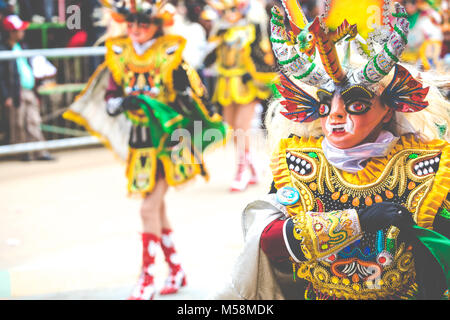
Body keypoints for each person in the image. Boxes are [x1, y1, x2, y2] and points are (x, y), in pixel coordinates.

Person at [214, 0, 450, 300]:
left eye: (356, 105)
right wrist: (357, 221)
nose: (335, 116)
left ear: (389, 110)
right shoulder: (299, 162)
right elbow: (268, 242)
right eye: (325, 105)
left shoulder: (426, 166)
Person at [64, 0, 227, 300]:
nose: (136, 29)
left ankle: (147, 277)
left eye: (143, 23)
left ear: (157, 24)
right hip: (140, 142)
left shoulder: (171, 54)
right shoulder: (119, 54)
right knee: (157, 209)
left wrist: (183, 89)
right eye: (131, 23)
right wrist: (119, 103)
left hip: (169, 141)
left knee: (147, 208)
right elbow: (111, 97)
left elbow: (196, 96)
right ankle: (177, 270)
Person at [204, 0, 277, 192]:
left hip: (247, 83)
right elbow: (209, 58)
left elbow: (263, 55)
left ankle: (241, 170)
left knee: (242, 128)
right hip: (226, 85)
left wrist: (253, 73)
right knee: (232, 129)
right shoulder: (221, 32)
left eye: (234, 9)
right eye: (226, 10)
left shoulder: (252, 29)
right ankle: (252, 167)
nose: (230, 14)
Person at [0, 14, 54, 161]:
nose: (22, 33)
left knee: (34, 120)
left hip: (28, 89)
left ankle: (40, 151)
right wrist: (6, 96)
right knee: (17, 123)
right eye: (19, 30)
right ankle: (22, 153)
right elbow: (2, 77)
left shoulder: (23, 46)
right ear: (11, 32)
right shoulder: (3, 50)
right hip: (15, 92)